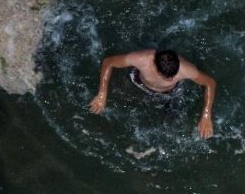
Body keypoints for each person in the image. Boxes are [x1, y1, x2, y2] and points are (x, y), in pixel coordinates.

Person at [89, 49, 217, 138]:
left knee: (172, 125)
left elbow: (210, 83)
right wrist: (102, 94)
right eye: (167, 77)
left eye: (173, 75)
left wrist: (206, 115)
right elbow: (109, 62)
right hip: (138, 83)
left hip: (169, 94)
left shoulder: (186, 69)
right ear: (155, 67)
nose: (172, 79)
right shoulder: (142, 59)